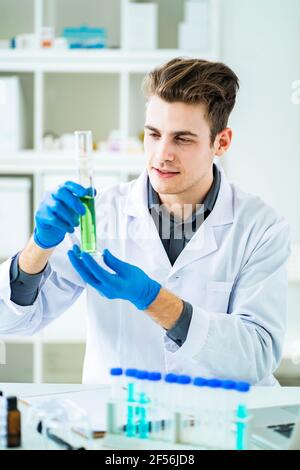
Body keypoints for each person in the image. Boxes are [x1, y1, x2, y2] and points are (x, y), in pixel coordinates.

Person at [0, 58, 290, 385]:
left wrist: (154, 299)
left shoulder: (260, 228)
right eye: (153, 134)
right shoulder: (100, 216)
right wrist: (38, 247)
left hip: (220, 423)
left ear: (220, 142)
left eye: (182, 139)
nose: (161, 154)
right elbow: (12, 322)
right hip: (118, 420)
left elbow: (258, 356)